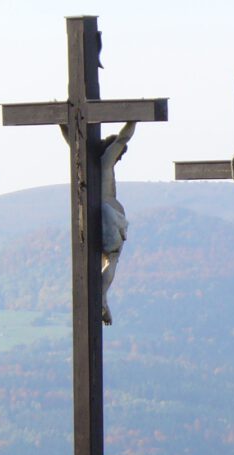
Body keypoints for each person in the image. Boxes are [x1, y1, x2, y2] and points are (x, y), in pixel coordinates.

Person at [100, 121, 136, 326]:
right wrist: (133, 120)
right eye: (119, 154)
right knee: (112, 259)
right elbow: (123, 138)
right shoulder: (105, 162)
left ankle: (103, 298)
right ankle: (102, 298)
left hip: (102, 216)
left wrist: (62, 123)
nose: (120, 157)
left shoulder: (89, 166)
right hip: (110, 218)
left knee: (109, 260)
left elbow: (72, 139)